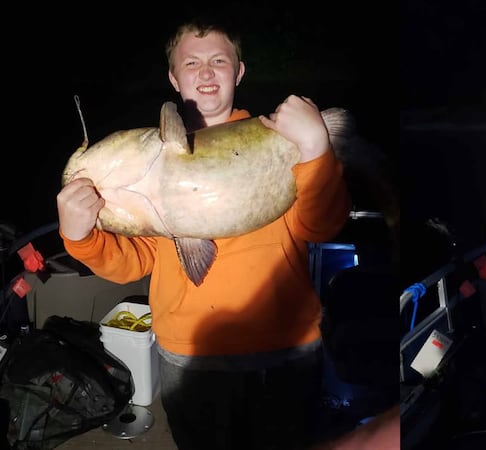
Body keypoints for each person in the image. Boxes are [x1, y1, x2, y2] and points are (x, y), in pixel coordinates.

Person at [56, 20, 351, 450]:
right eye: (191, 63)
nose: (206, 71)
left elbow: (322, 224)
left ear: (239, 72)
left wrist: (317, 149)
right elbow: (132, 262)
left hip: (285, 348)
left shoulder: (280, 138)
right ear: (174, 78)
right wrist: (79, 237)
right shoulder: (150, 161)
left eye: (219, 61)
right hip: (189, 355)